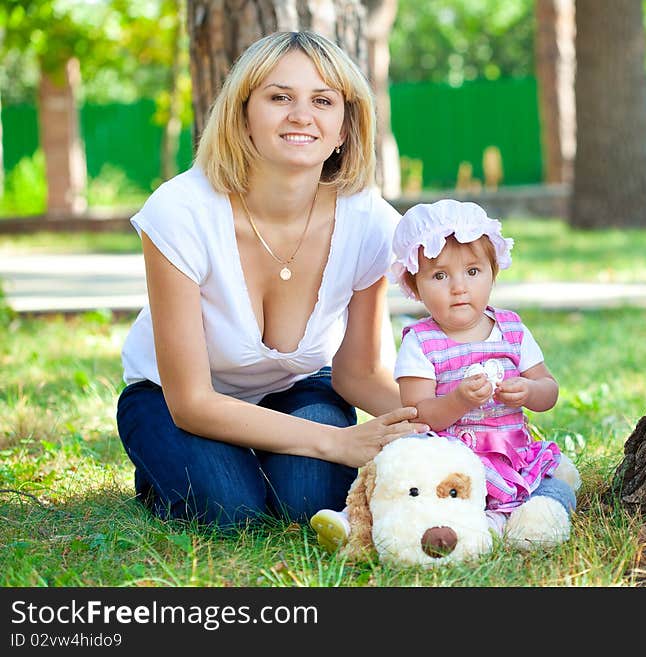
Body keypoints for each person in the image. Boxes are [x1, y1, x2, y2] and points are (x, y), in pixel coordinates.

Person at [115, 31, 429, 531]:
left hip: (299, 388)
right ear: (243, 115)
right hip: (173, 401)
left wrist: (453, 423)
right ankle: (171, 470)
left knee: (311, 505)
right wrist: (337, 443)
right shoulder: (181, 212)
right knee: (231, 512)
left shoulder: (370, 222)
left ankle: (255, 463)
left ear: (345, 126)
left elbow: (360, 375)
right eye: (279, 97)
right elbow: (192, 400)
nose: (301, 115)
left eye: (323, 100)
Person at [310, 199, 577, 550]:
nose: (459, 287)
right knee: (402, 473)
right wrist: (459, 399)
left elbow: (549, 390)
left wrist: (528, 391)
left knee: (554, 481)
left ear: (493, 273)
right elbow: (419, 412)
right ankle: (355, 522)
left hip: (509, 454)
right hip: (444, 456)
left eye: (472, 271)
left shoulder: (512, 330)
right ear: (415, 286)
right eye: (439, 275)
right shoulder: (422, 342)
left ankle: (508, 524)